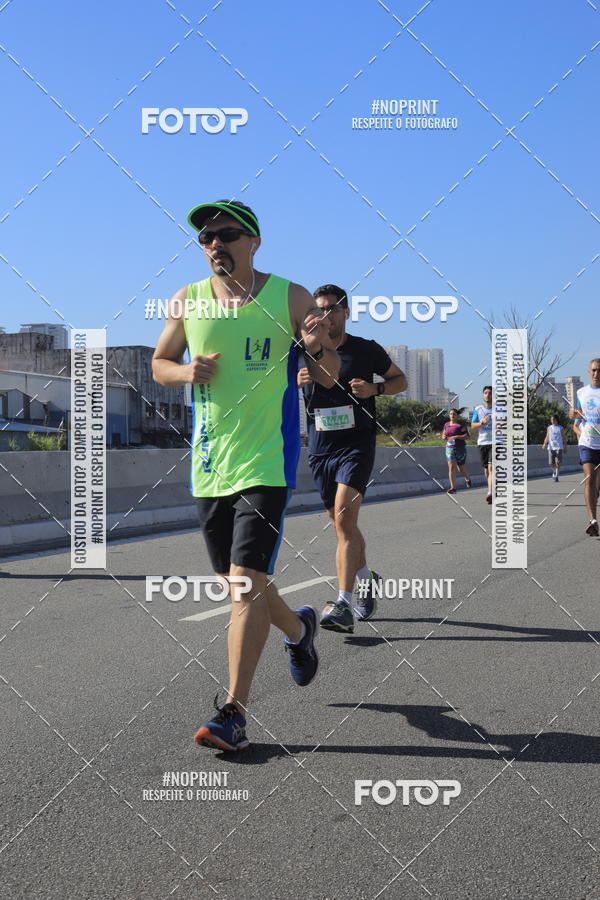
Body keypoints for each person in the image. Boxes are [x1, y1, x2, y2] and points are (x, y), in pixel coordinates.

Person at [152, 200, 340, 750]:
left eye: (226, 234)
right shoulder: (187, 300)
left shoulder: (290, 296)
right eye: (206, 238)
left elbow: (326, 375)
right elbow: (160, 363)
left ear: (253, 242)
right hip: (210, 467)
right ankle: (300, 629)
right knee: (241, 584)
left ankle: (233, 712)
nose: (215, 244)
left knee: (242, 590)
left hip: (267, 461)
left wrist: (317, 343)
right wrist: (185, 370)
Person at [298, 284, 407, 634]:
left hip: (356, 445)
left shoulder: (365, 350)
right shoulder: (304, 350)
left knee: (344, 519)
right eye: (319, 309)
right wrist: (295, 381)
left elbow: (400, 380)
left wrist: (375, 389)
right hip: (320, 448)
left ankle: (343, 603)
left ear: (346, 312)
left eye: (332, 309)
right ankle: (366, 577)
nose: (325, 316)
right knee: (341, 525)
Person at [569, 359, 600, 536]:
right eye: (594, 371)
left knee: (595, 485)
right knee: (589, 479)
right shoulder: (582, 392)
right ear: (589, 372)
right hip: (587, 444)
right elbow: (576, 420)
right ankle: (593, 521)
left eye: (599, 371)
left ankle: (595, 498)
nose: (596, 374)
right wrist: (573, 416)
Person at [471, 386, 495, 504]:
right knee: (486, 470)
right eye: (485, 393)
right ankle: (491, 487)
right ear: (483, 395)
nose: (487, 395)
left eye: (490, 393)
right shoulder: (478, 409)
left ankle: (490, 492)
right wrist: (482, 422)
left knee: (491, 468)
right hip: (482, 442)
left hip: (496, 442)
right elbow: (473, 426)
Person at [442, 408, 472, 493]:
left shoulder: (461, 424)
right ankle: (453, 487)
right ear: (449, 415)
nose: (452, 415)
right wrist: (444, 437)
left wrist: (456, 437)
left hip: (460, 448)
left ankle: (467, 478)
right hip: (449, 448)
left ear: (457, 415)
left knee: (460, 468)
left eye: (454, 414)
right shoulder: (446, 424)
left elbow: (467, 436)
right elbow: (443, 435)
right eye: (451, 414)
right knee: (451, 467)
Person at [542, 414, 566, 482]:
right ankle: (555, 472)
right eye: (551, 420)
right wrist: (544, 444)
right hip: (551, 447)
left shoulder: (560, 428)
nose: (552, 421)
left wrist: (565, 447)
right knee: (550, 463)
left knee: (558, 462)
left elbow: (564, 437)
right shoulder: (549, 427)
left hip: (559, 447)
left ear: (556, 420)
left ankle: (556, 476)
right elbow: (547, 437)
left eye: (553, 419)